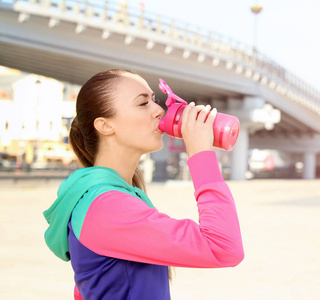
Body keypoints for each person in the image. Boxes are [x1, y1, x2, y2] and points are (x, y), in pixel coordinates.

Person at [43, 69, 244, 300]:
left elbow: (86, 289)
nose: (159, 110)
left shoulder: (104, 196)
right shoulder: (107, 206)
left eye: (155, 101)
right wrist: (200, 154)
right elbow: (224, 248)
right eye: (142, 103)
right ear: (105, 126)